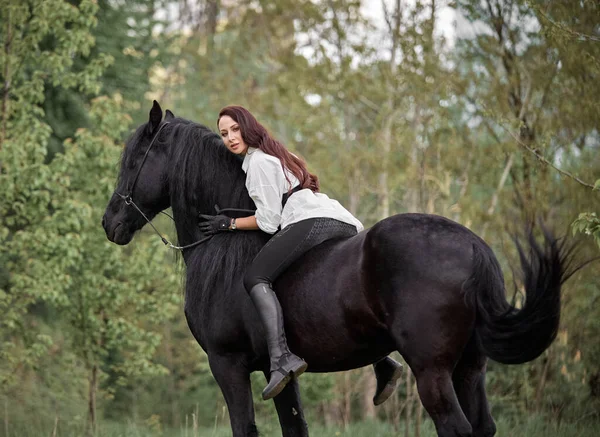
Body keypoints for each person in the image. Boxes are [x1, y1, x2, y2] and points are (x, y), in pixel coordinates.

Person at [198, 105, 402, 401]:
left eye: (234, 129)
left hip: (310, 221)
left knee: (256, 277)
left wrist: (228, 223)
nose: (230, 138)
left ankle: (281, 358)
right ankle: (383, 361)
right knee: (323, 284)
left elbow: (268, 221)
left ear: (247, 126)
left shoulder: (257, 162)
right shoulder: (280, 153)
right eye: (224, 133)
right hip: (340, 220)